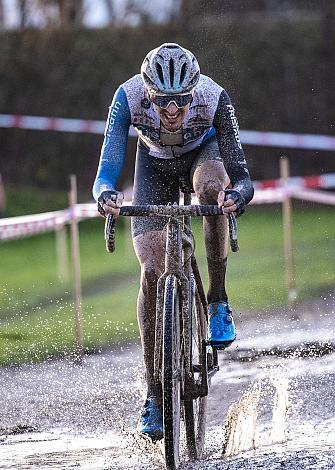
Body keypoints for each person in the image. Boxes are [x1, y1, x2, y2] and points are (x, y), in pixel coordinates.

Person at [93, 43, 254, 440]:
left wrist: (237, 196)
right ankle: (153, 391)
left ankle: (217, 300)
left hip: (205, 156)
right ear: (147, 91)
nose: (170, 111)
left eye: (180, 101)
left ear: (193, 91)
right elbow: (107, 167)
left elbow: (242, 174)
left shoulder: (214, 98)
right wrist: (106, 193)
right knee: (151, 270)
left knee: (213, 190)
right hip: (154, 167)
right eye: (162, 101)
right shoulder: (127, 96)